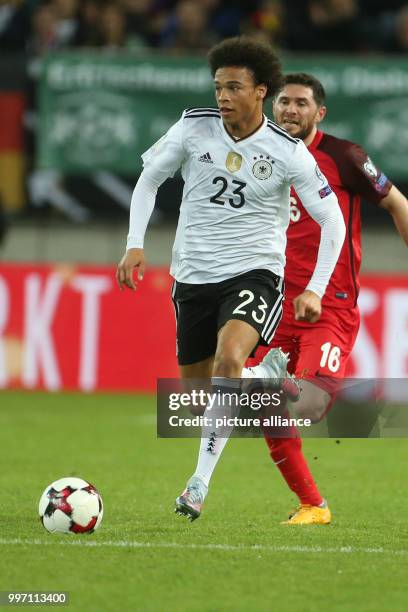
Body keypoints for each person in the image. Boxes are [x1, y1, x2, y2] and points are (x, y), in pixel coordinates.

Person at [116, 38, 346, 522]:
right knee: (200, 400)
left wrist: (316, 288)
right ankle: (266, 379)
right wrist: (135, 242)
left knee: (228, 358)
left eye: (234, 87)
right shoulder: (193, 127)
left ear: (260, 91)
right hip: (193, 276)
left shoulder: (287, 152)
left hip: (255, 272)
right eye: (218, 86)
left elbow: (334, 222)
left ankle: (197, 484)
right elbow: (149, 180)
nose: (222, 96)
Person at [246, 72, 408, 525]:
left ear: (320, 112)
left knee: (310, 405)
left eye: (301, 103)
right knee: (266, 408)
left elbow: (397, 203)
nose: (290, 110)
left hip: (328, 306)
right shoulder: (259, 153)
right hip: (273, 304)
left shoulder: (344, 157)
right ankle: (313, 506)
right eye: (284, 102)